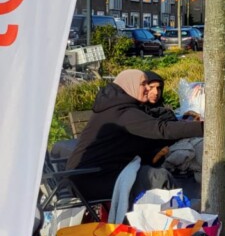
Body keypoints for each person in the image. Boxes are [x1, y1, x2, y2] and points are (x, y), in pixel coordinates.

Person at [65, 69, 205, 202]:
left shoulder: (119, 107)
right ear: (128, 86)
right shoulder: (121, 112)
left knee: (155, 173)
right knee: (157, 177)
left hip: (96, 174)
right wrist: (205, 128)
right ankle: (180, 217)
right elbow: (161, 129)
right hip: (92, 179)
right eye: (143, 84)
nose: (148, 89)